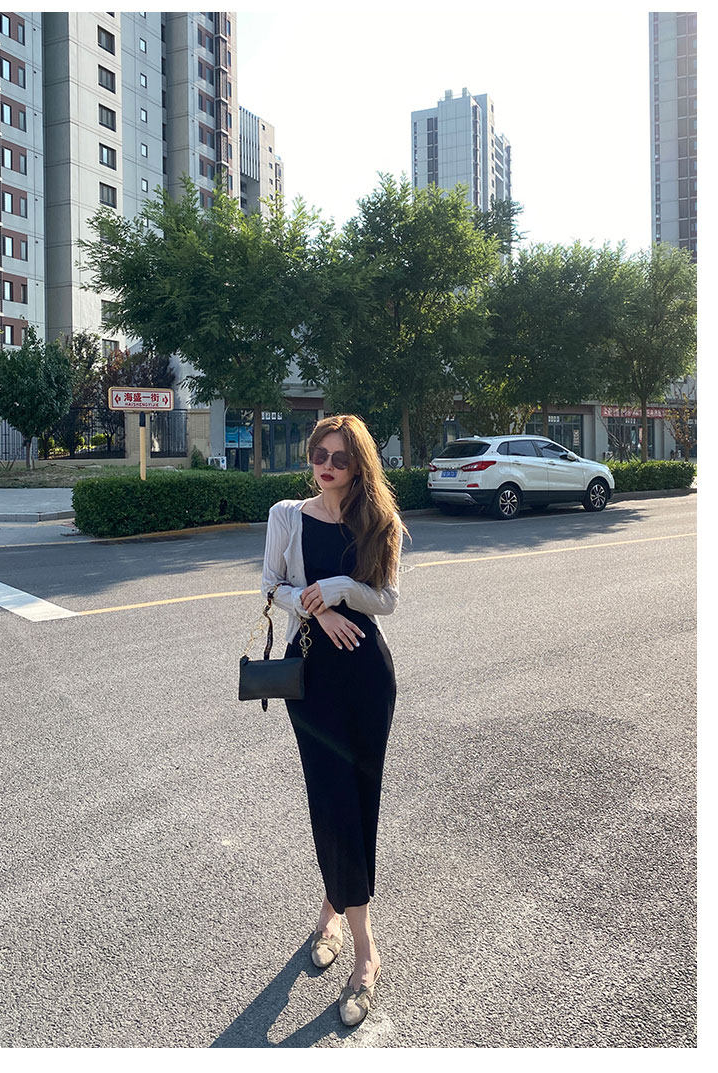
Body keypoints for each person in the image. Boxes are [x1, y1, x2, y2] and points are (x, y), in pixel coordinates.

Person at [260, 414, 407, 1027]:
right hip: (312, 680)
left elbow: (387, 600)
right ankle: (366, 949)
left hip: (368, 678)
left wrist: (343, 586)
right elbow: (271, 587)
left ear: (358, 464)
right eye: (318, 454)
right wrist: (315, 608)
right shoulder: (287, 516)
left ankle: (332, 914)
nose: (326, 465)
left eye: (340, 458)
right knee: (331, 800)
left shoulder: (380, 522)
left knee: (361, 800)